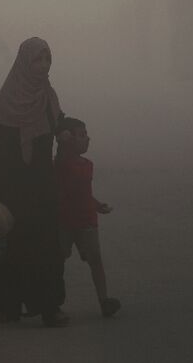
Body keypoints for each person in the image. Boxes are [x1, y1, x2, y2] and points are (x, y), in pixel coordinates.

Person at [0, 37, 69, 328]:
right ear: (24, 63)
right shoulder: (7, 99)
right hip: (10, 186)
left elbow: (60, 123)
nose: (43, 65)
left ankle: (50, 307)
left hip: (41, 185)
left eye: (47, 60)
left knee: (48, 246)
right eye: (38, 60)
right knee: (9, 247)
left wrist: (68, 133)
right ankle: (3, 306)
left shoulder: (48, 98)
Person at [55, 116, 121, 318]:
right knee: (57, 261)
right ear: (67, 140)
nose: (87, 139)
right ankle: (54, 302)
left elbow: (84, 193)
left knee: (95, 260)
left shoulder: (86, 164)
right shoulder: (61, 164)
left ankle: (104, 301)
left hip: (85, 221)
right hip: (65, 221)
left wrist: (96, 205)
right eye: (82, 135)